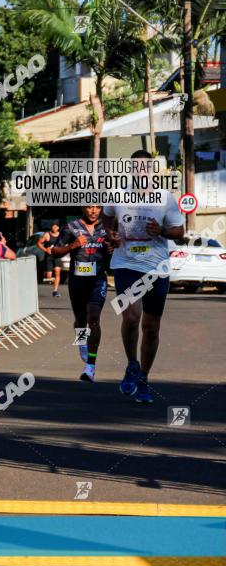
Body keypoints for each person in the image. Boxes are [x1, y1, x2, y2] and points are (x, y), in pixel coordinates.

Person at [102, 149, 184, 403]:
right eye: (135, 167)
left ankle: (144, 378)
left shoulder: (164, 197)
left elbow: (179, 231)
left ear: (151, 170)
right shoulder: (117, 194)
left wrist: (161, 230)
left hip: (157, 267)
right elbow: (106, 220)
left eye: (144, 167)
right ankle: (131, 364)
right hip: (126, 264)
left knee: (151, 326)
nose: (140, 171)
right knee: (131, 316)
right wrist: (111, 235)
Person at [50, 206, 113, 383]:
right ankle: (81, 339)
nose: (93, 211)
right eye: (89, 207)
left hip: (98, 280)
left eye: (97, 207)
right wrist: (73, 245)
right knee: (81, 319)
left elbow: (115, 250)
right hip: (77, 281)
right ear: (83, 208)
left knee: (94, 319)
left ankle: (91, 365)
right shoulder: (71, 227)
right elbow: (54, 251)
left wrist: (111, 250)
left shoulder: (106, 228)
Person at [38, 222, 63, 297]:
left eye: (56, 227)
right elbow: (38, 243)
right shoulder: (47, 235)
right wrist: (46, 250)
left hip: (57, 256)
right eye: (53, 227)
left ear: (58, 228)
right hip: (49, 256)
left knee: (57, 271)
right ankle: (46, 275)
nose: (54, 228)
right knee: (49, 276)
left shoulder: (61, 235)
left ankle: (55, 290)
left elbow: (65, 243)